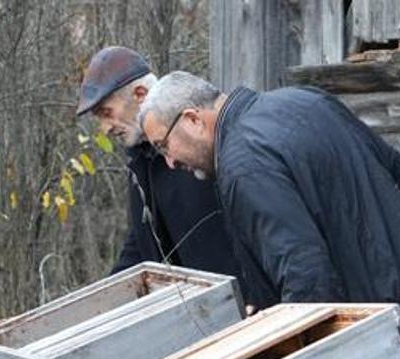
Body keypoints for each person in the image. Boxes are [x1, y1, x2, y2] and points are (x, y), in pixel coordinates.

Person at [137, 72, 400, 359]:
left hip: (393, 323)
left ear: (193, 119)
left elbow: (305, 274)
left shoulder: (243, 166)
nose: (169, 161)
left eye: (164, 145)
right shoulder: (303, 100)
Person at [76, 48, 265, 305]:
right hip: (207, 310)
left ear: (140, 95)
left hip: (251, 307)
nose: (105, 128)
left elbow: (255, 228)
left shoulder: (201, 146)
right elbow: (142, 245)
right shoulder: (142, 160)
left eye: (107, 113)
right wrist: (99, 304)